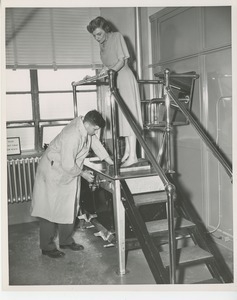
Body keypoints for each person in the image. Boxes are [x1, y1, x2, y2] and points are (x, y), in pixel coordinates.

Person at [31, 110, 113, 258]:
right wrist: (83, 174)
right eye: (95, 128)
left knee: (69, 207)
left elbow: (96, 145)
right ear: (88, 124)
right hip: (53, 172)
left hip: (65, 173)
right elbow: (68, 164)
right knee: (49, 210)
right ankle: (47, 247)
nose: (96, 131)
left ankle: (66, 240)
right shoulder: (72, 135)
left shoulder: (86, 128)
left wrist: (112, 163)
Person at [87, 16, 143, 167]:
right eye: (94, 36)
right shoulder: (103, 45)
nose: (97, 38)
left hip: (124, 77)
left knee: (129, 115)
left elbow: (122, 61)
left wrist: (110, 73)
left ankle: (134, 156)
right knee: (122, 118)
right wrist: (94, 76)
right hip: (115, 80)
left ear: (105, 29)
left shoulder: (117, 37)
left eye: (99, 34)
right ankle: (127, 153)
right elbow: (107, 66)